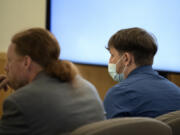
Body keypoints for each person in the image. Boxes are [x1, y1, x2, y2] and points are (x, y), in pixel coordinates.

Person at [0, 28, 105, 135]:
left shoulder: (18, 103)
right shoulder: (88, 88)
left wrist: (21, 95)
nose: (6, 67)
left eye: (9, 60)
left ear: (26, 62)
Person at [104, 27, 180, 119]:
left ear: (126, 58)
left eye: (112, 55)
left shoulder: (118, 94)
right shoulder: (176, 91)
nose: (110, 61)